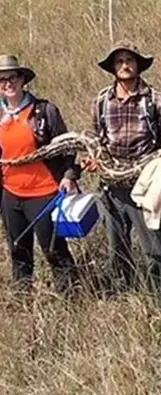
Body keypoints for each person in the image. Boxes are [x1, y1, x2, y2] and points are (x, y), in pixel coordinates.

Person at [81, 41, 161, 326]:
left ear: (138, 65)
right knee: (118, 252)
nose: (125, 65)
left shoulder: (156, 100)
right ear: (113, 68)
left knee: (156, 251)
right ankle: (128, 309)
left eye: (130, 60)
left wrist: (159, 167)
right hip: (111, 188)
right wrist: (93, 161)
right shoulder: (101, 101)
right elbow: (97, 141)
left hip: (146, 188)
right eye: (119, 61)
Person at [0, 54, 81, 299]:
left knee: (53, 250)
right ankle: (22, 300)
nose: (7, 83)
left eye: (12, 77)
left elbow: (68, 146)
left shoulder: (44, 111)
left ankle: (72, 300)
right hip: (10, 193)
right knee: (18, 250)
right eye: (2, 79)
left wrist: (69, 175)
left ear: (22, 79)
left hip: (44, 193)